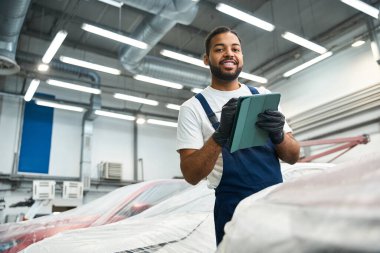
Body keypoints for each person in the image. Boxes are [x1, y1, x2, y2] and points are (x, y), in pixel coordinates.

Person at [176, 26, 300, 245]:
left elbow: (293, 156)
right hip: (233, 210)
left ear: (241, 56)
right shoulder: (193, 108)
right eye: (219, 49)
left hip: (274, 203)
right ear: (207, 59)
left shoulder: (263, 96)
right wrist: (219, 136)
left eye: (235, 49)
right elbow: (191, 174)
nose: (229, 53)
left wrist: (279, 134)